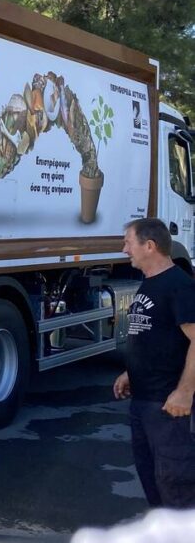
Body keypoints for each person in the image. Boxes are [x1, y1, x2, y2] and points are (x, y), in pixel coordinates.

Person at [113, 217, 195, 508]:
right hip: (143, 400)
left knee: (175, 485)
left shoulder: (179, 285)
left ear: (150, 246)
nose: (125, 250)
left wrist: (185, 392)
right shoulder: (149, 284)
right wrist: (129, 372)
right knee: (152, 481)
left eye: (128, 242)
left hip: (166, 404)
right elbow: (152, 334)